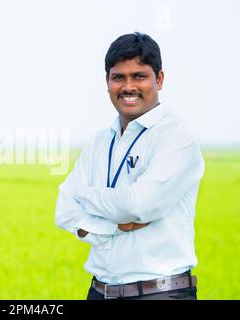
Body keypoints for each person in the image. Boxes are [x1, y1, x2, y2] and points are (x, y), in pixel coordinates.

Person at [55, 32, 204, 300]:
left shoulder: (176, 138)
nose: (128, 86)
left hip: (160, 293)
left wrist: (87, 197)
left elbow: (138, 205)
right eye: (118, 77)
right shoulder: (98, 142)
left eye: (139, 76)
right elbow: (64, 210)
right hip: (99, 291)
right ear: (107, 81)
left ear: (159, 78)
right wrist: (113, 225)